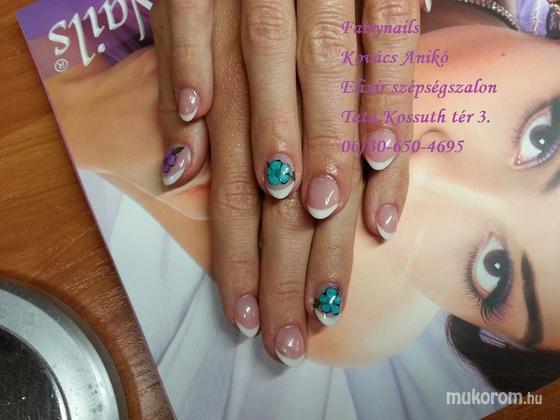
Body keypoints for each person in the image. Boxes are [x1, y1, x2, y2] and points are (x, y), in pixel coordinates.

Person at [41, 0, 560, 382]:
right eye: (542, 138)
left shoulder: (362, 309)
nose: (423, 171)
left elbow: (76, 109)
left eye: (493, 270)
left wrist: (99, 113)